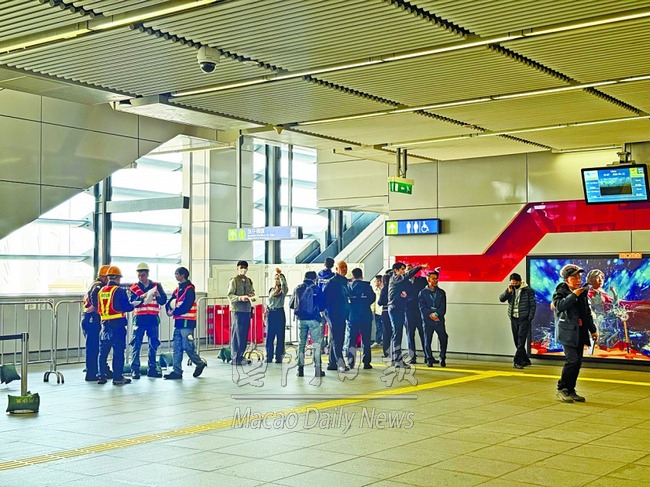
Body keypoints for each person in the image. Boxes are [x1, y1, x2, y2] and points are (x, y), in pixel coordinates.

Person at [553, 264, 598, 403]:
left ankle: (571, 390)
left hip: (580, 332)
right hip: (567, 333)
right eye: (574, 277)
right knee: (573, 360)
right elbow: (560, 306)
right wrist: (574, 295)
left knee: (578, 363)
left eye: (579, 277)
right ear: (566, 280)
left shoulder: (582, 292)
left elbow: (586, 313)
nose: (578, 280)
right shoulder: (560, 291)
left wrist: (593, 329)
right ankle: (562, 388)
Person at [97, 266, 143, 385]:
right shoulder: (119, 291)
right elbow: (125, 306)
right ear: (117, 278)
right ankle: (117, 377)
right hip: (117, 325)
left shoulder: (101, 291)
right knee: (118, 352)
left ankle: (101, 376)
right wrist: (133, 305)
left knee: (103, 352)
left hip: (104, 325)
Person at [164, 266, 207, 379]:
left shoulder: (189, 289)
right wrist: (168, 310)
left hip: (187, 323)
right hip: (179, 322)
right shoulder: (177, 290)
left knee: (187, 346)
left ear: (183, 275)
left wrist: (174, 312)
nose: (175, 276)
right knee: (177, 347)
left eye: (177, 274)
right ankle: (177, 371)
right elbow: (169, 302)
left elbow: (186, 306)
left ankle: (199, 363)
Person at [129, 262, 167, 379]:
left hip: (152, 319)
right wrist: (142, 297)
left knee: (153, 344)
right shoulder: (134, 287)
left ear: (147, 274)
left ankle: (152, 368)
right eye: (139, 275)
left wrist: (158, 295)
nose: (141, 278)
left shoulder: (156, 286)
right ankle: (135, 369)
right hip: (139, 319)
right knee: (136, 344)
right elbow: (131, 302)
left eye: (143, 275)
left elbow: (163, 300)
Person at [388, 262, 427, 366]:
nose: (404, 271)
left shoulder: (399, 281)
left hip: (399, 309)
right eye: (402, 269)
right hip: (395, 309)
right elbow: (407, 275)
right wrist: (420, 267)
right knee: (397, 334)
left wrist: (405, 295)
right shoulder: (395, 278)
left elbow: (409, 292)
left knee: (396, 334)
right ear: (396, 270)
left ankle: (394, 359)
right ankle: (397, 360)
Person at [289, 271, 326, 379]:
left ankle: (300, 369)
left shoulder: (297, 288)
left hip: (301, 319)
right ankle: (318, 370)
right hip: (314, 319)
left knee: (301, 344)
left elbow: (291, 304)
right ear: (314, 279)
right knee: (316, 344)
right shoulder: (317, 289)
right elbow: (322, 306)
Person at [499, 272, 537, 369]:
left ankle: (517, 361)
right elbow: (501, 299)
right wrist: (507, 292)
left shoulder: (528, 290)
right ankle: (525, 360)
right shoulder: (510, 289)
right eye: (512, 283)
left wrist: (529, 318)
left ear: (520, 281)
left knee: (521, 340)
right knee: (517, 340)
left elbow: (533, 305)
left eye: (515, 283)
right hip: (513, 318)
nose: (514, 285)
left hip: (524, 318)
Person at [81, 264, 110, 381]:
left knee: (96, 347)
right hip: (92, 319)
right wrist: (99, 309)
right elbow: (95, 301)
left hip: (89, 318)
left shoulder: (94, 284)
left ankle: (100, 370)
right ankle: (92, 373)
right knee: (94, 347)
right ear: (104, 277)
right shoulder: (98, 287)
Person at [323, 260, 350, 372]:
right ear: (336, 269)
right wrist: (328, 313)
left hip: (341, 313)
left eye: (345, 267)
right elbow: (325, 298)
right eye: (342, 267)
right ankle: (340, 363)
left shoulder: (344, 282)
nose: (344, 269)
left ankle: (332, 363)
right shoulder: (332, 282)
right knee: (338, 338)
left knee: (335, 338)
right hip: (333, 313)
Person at [227, 260, 256, 366]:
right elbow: (230, 295)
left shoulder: (249, 281)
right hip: (237, 310)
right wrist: (240, 298)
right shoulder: (234, 281)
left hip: (246, 310)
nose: (243, 269)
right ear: (237, 268)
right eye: (241, 267)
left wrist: (251, 295)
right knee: (236, 334)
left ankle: (241, 355)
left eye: (245, 267)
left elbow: (252, 292)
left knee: (244, 334)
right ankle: (235, 357)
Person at [347, 268, 375, 370]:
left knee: (352, 340)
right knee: (366, 340)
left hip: (353, 316)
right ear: (362, 276)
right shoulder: (367, 286)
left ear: (353, 276)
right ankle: (366, 363)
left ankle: (351, 362)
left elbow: (346, 300)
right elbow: (372, 298)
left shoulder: (349, 287)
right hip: (365, 315)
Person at [418, 271, 448, 367]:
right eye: (433, 279)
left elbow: (443, 307)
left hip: (439, 320)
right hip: (427, 320)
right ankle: (429, 358)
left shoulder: (441, 292)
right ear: (428, 279)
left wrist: (436, 314)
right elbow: (422, 307)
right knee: (427, 339)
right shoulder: (422, 293)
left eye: (436, 279)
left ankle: (442, 357)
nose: (435, 281)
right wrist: (430, 314)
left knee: (443, 337)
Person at [265, 268, 288, 364]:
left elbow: (284, 285)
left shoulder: (283, 291)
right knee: (270, 335)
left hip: (279, 312)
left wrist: (280, 275)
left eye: (278, 278)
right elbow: (268, 301)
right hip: (271, 313)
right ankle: (269, 356)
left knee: (280, 335)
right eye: (275, 278)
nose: (276, 280)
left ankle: (279, 356)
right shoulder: (271, 290)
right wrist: (266, 309)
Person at [405, 264, 427, 364]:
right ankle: (412, 357)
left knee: (423, 333)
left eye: (411, 269)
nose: (410, 271)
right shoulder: (403, 282)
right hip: (408, 311)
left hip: (419, 311)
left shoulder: (421, 280)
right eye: (408, 270)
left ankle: (428, 355)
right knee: (410, 334)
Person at [377, 271, 393, 359]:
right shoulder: (394, 288)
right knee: (393, 331)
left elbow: (380, 302)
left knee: (386, 332)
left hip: (385, 311)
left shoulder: (384, 289)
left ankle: (386, 352)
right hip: (394, 311)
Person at [371, 275, 383, 348]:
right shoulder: (374, 290)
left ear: (379, 281)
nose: (375, 282)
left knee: (385, 327)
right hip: (377, 312)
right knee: (378, 327)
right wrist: (372, 310)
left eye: (375, 281)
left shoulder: (384, 289)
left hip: (383, 311)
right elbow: (373, 301)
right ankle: (377, 341)